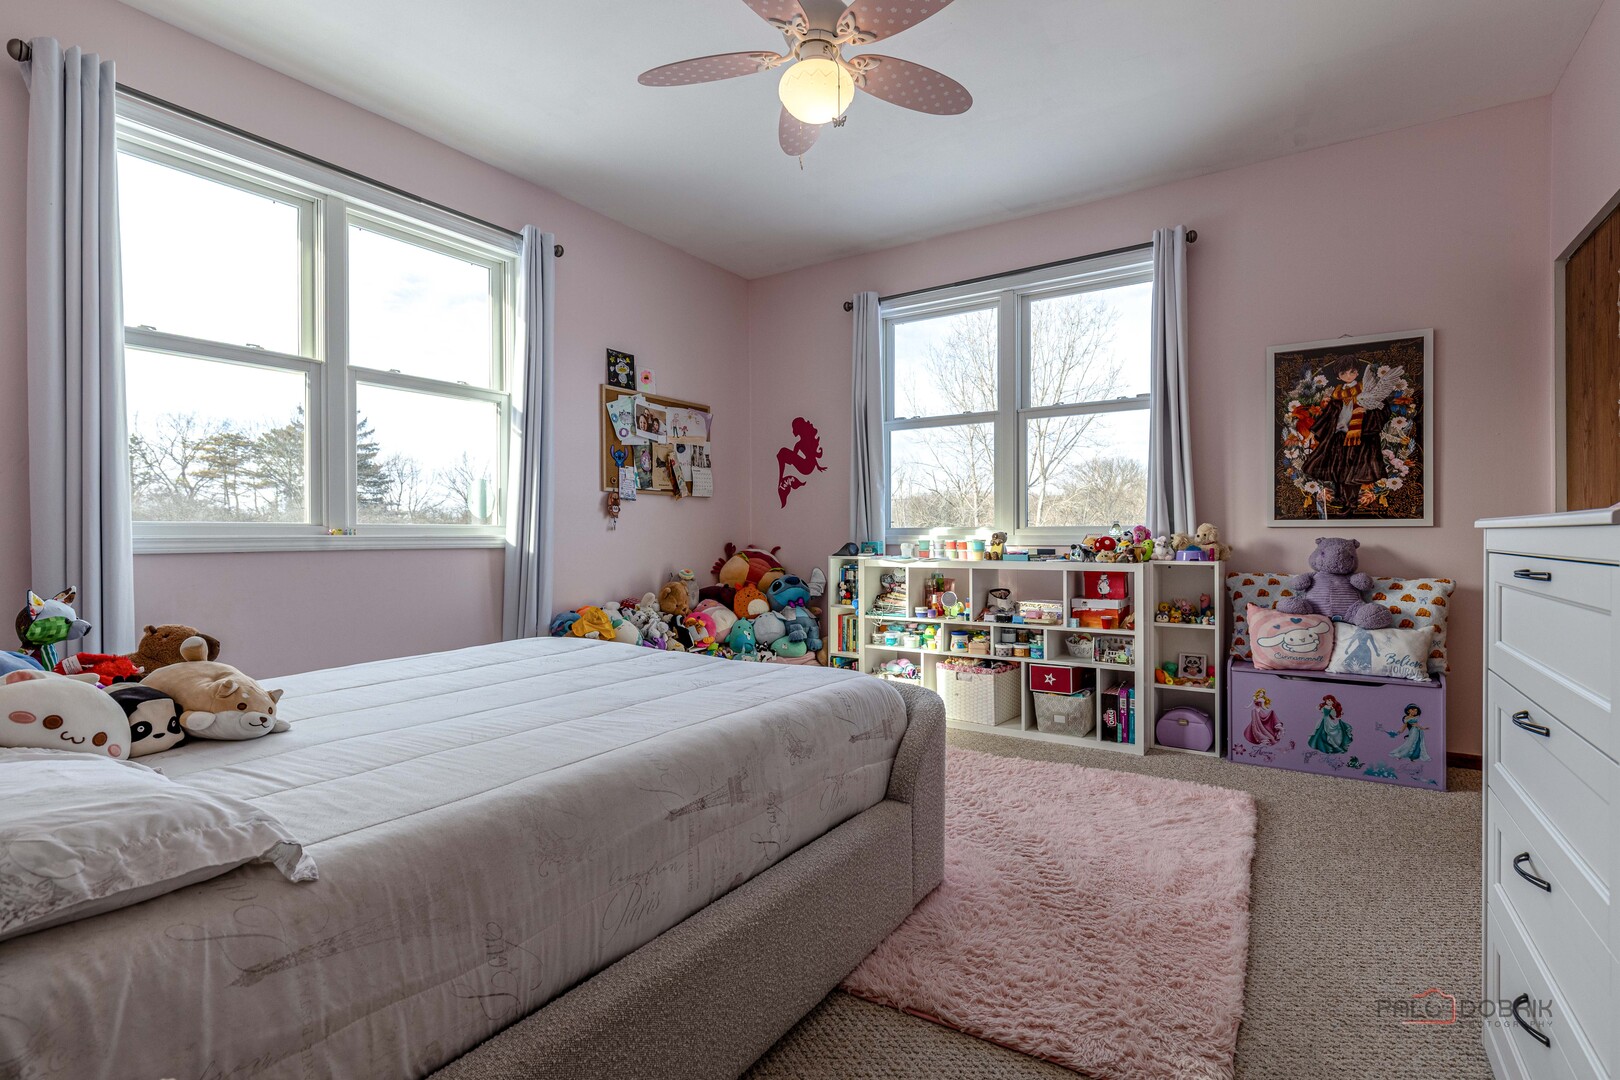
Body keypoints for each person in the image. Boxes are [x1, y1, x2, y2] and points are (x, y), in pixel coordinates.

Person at [1302, 363, 1388, 509]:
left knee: (1354, 470)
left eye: (1352, 372)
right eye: (1344, 373)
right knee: (1338, 468)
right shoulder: (1337, 394)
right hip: (1339, 436)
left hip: (1360, 437)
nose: (1348, 376)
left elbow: (1383, 409)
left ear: (1357, 373)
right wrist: (1313, 432)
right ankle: (1341, 498)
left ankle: (1351, 501)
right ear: (1338, 376)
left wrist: (1367, 411)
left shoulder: (1366, 390)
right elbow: (1327, 415)